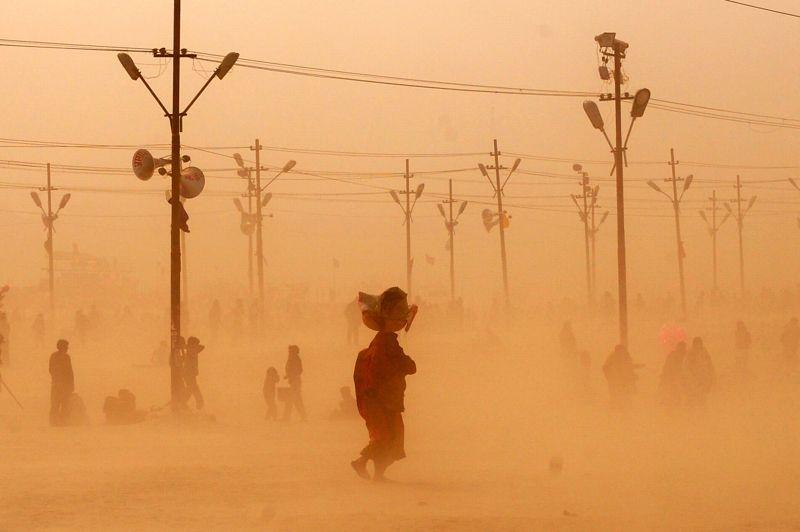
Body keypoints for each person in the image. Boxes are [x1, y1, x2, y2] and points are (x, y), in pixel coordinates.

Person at [351, 287, 418, 481]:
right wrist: (405, 365)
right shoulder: (384, 343)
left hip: (389, 398)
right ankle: (362, 461)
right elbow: (380, 367)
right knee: (386, 437)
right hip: (382, 399)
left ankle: (377, 474)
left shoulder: (386, 341)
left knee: (393, 440)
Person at [602, 344, 639, 410]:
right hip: (616, 384)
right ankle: (615, 413)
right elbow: (605, 368)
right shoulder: (613, 357)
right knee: (616, 400)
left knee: (626, 401)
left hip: (625, 384)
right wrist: (610, 378)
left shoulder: (626, 357)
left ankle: (624, 414)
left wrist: (633, 376)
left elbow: (629, 369)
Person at [684, 337, 715, 408]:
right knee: (693, 401)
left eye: (700, 344)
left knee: (702, 400)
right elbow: (686, 368)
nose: (698, 346)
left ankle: (701, 415)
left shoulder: (704, 352)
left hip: (703, 380)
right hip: (693, 382)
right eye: (697, 344)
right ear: (694, 344)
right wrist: (691, 379)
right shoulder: (690, 354)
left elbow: (709, 364)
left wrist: (711, 376)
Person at [49, 339, 75, 426]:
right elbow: (52, 370)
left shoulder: (67, 357)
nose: (67, 348)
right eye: (66, 347)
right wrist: (58, 381)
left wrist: (71, 384)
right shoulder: (54, 357)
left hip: (66, 385)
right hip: (57, 385)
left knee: (65, 405)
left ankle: (63, 423)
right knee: (55, 405)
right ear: (61, 347)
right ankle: (53, 423)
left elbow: (70, 371)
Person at [659, 341, 687, 409]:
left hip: (672, 381)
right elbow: (671, 369)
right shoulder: (676, 356)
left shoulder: (679, 356)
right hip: (671, 380)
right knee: (672, 397)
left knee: (673, 398)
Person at [282, 345, 306, 421]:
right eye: (289, 351)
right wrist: (288, 375)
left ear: (294, 352)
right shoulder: (292, 359)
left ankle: (286, 417)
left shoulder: (295, 359)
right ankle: (303, 416)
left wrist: (290, 375)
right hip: (293, 382)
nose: (289, 352)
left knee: (290, 399)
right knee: (297, 400)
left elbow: (299, 370)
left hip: (295, 382)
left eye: (290, 351)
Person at [183, 336, 205, 409]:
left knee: (192, 387)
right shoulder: (192, 350)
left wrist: (188, 346)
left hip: (189, 373)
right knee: (192, 387)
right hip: (189, 373)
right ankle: (199, 402)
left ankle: (183, 402)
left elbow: (201, 347)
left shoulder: (191, 350)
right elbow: (201, 347)